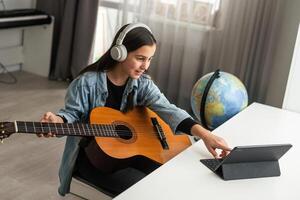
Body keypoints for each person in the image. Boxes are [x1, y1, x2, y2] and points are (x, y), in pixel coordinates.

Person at [39, 22, 231, 197]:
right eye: (140, 58)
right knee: (147, 190)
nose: (145, 66)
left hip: (132, 153)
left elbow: (169, 110)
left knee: (175, 175)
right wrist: (58, 121)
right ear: (119, 53)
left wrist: (206, 135)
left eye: (149, 59)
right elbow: (71, 115)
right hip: (95, 160)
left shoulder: (143, 84)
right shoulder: (86, 83)